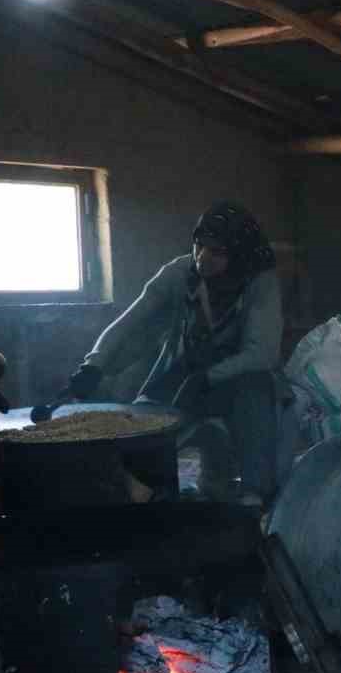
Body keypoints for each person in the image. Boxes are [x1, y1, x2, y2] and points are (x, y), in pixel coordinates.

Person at [63, 202, 282, 505]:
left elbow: (263, 353)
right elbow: (129, 321)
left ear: (239, 256)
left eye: (216, 251)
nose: (203, 257)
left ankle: (254, 497)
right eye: (199, 246)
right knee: (143, 432)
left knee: (255, 391)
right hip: (183, 372)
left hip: (239, 379)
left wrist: (209, 377)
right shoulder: (179, 273)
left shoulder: (260, 284)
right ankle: (157, 495)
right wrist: (94, 364)